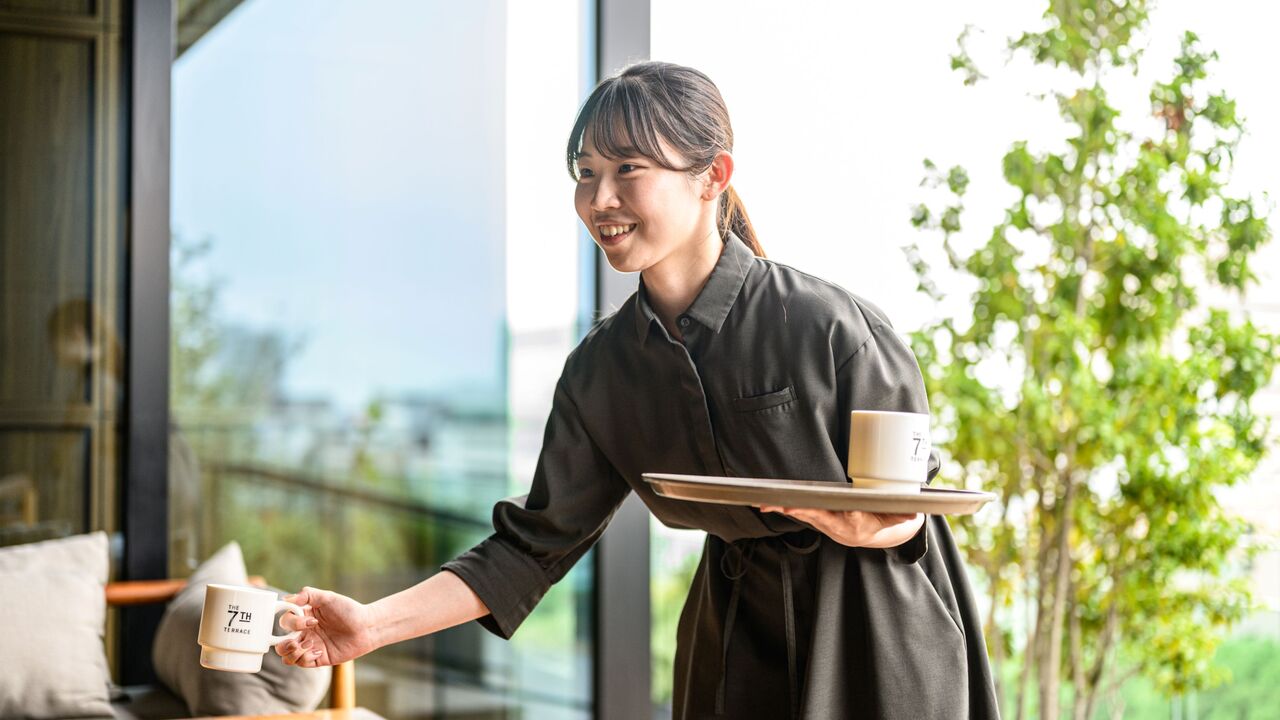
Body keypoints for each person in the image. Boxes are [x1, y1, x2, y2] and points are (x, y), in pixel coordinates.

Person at [275, 62, 1000, 719]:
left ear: (712, 175)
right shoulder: (602, 372)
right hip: (732, 630)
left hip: (874, 621)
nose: (601, 198)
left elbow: (907, 507)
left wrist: (848, 522)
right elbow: (529, 549)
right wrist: (369, 627)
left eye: (628, 167)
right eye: (585, 173)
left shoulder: (827, 326)